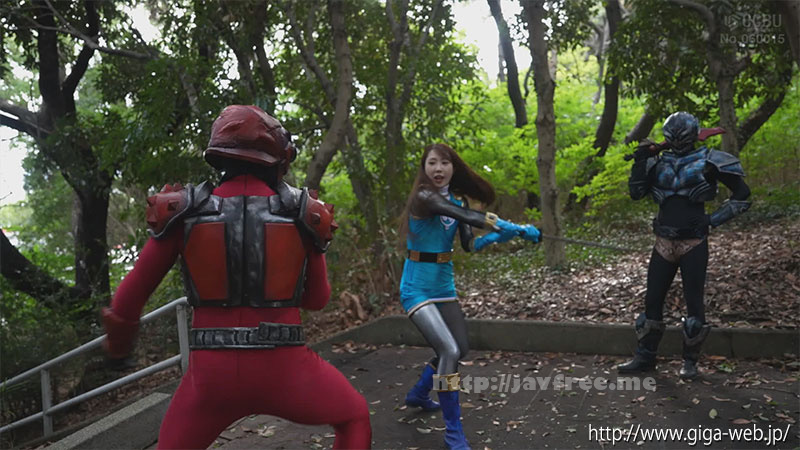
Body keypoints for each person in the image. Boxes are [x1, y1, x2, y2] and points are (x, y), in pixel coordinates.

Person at [102, 105, 372, 449]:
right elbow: (317, 300)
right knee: (354, 417)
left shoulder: (182, 212)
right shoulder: (305, 214)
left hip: (211, 377)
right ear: (278, 158)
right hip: (286, 368)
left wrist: (118, 352)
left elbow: (129, 298)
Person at [399, 143, 540, 450]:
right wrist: (512, 226)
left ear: (453, 167)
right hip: (416, 287)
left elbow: (469, 244)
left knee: (459, 349)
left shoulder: (458, 200)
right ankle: (454, 432)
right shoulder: (424, 197)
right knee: (448, 349)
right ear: (424, 168)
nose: (438, 169)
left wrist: (499, 236)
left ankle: (419, 393)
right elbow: (463, 215)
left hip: (444, 287)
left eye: (444, 163)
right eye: (432, 163)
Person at [619, 111, 751, 379]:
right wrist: (641, 162)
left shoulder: (710, 161)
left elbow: (742, 195)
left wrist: (712, 220)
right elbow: (636, 193)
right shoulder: (656, 162)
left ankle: (689, 363)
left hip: (694, 241)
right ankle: (645, 358)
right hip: (663, 242)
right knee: (652, 301)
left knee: (694, 303)